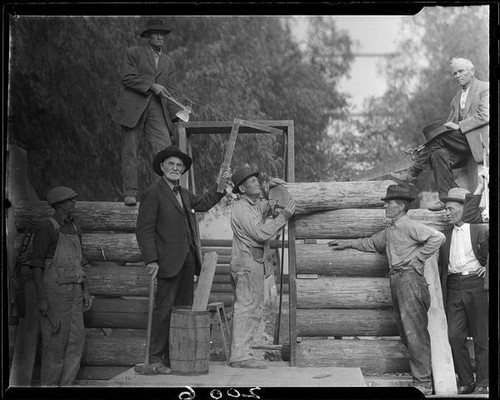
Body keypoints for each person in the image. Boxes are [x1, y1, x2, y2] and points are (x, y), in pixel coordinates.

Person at [329, 184, 445, 395]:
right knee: (406, 333)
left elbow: (438, 237)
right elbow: (371, 243)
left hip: (410, 281)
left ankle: (423, 384)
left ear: (400, 206)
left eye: (389, 203)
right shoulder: (391, 230)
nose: (386, 206)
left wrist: (419, 258)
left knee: (414, 333)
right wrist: (347, 244)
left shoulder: (409, 225)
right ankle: (422, 379)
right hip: (398, 281)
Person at [136, 146, 230, 374]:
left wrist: (220, 185)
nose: (175, 168)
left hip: (188, 262)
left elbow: (205, 203)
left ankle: (173, 356)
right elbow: (144, 230)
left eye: (179, 166)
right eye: (171, 164)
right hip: (167, 263)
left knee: (182, 310)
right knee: (164, 310)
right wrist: (151, 260)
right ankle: (155, 358)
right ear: (162, 167)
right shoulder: (153, 192)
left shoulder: (185, 194)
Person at [390, 58, 489, 211]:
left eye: (461, 71)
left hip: (478, 143)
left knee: (440, 138)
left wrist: (458, 125)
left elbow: (485, 116)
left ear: (472, 71)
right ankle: (446, 198)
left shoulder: (485, 88)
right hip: (460, 144)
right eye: (455, 73)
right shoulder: (456, 99)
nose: (457, 75)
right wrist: (422, 148)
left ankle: (413, 172)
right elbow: (445, 129)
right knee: (438, 153)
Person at [228, 167, 295, 369]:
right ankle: (239, 356)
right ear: (241, 188)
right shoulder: (241, 209)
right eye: (252, 181)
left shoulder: (253, 205)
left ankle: (242, 353)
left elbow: (267, 207)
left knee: (251, 308)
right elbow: (261, 234)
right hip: (247, 264)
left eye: (257, 180)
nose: (257, 183)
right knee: (247, 307)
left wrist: (274, 190)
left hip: (252, 263)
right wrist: (284, 216)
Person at [112, 18, 182, 206]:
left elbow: (172, 91)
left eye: (163, 34)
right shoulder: (133, 53)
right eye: (156, 33)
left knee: (166, 151)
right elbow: (127, 78)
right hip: (133, 108)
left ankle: (165, 192)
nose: (160, 37)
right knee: (130, 152)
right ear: (148, 36)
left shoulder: (169, 62)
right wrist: (151, 85)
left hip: (158, 109)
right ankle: (130, 193)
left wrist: (178, 115)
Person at [30, 186, 92, 386]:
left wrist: (86, 291)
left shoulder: (75, 228)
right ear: (58, 204)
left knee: (76, 342)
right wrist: (41, 298)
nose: (74, 203)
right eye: (70, 200)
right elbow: (37, 265)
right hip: (55, 294)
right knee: (55, 344)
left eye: (74, 200)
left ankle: (66, 385)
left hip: (75, 292)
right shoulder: (47, 227)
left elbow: (80, 261)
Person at [438, 187, 489, 395]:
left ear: (464, 208)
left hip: (477, 285)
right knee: (454, 336)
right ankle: (467, 380)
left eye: (450, 208)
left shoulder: (480, 229)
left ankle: (484, 382)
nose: (447, 213)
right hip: (453, 286)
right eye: (445, 209)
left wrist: (488, 268)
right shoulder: (444, 236)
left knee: (481, 337)